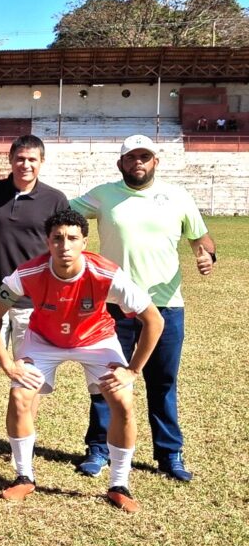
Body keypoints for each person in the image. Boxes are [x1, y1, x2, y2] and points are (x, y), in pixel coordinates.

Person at [0, 209, 164, 513]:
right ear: (47, 242)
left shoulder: (107, 274)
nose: (65, 245)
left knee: (122, 401)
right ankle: (24, 477)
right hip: (43, 340)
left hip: (96, 340)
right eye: (58, 238)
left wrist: (132, 370)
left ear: (84, 242)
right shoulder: (26, 274)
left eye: (73, 238)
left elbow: (154, 320)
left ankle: (119, 485)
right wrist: (8, 364)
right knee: (20, 395)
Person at [71, 134, 215, 482]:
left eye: (144, 156)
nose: (138, 162)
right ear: (120, 163)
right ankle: (99, 449)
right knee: (107, 380)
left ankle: (169, 453)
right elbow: (60, 213)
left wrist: (207, 255)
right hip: (113, 306)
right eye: (131, 157)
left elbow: (201, 238)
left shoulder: (177, 197)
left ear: (155, 162)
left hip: (165, 306)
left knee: (162, 381)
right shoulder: (103, 195)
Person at [0, 135, 68, 369]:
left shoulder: (55, 199)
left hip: (33, 300)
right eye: (20, 158)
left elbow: (66, 244)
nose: (25, 165)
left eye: (32, 159)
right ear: (10, 159)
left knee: (30, 370)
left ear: (42, 161)